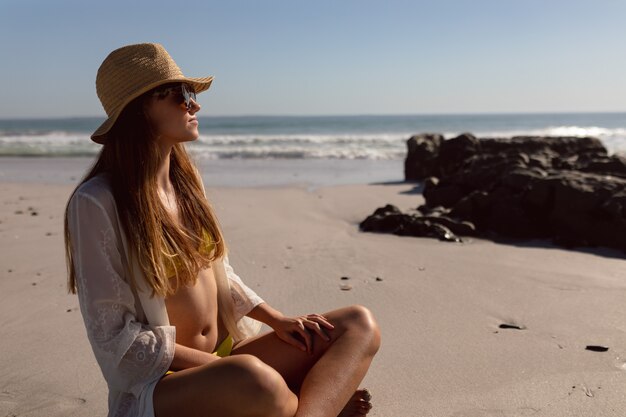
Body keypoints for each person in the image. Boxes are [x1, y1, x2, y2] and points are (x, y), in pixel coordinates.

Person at [63, 42, 381, 417]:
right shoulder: (97, 202)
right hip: (164, 385)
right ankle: (314, 404)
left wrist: (274, 318)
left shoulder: (186, 183)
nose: (194, 105)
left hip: (230, 358)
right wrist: (221, 367)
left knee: (357, 324)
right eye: (180, 96)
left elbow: (218, 273)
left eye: (191, 93)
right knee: (256, 380)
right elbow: (115, 339)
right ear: (139, 110)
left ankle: (302, 408)